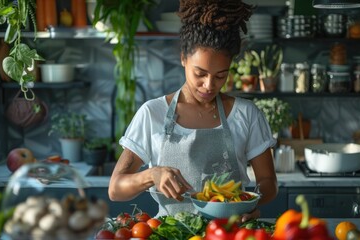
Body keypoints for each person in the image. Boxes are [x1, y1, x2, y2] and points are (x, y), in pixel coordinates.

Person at [108, 0, 278, 222]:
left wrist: (250, 202)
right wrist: (152, 175)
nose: (209, 85)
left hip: (229, 233)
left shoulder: (246, 114)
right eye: (200, 73)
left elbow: (268, 182)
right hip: (171, 233)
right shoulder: (152, 113)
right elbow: (115, 189)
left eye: (220, 76)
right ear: (183, 58)